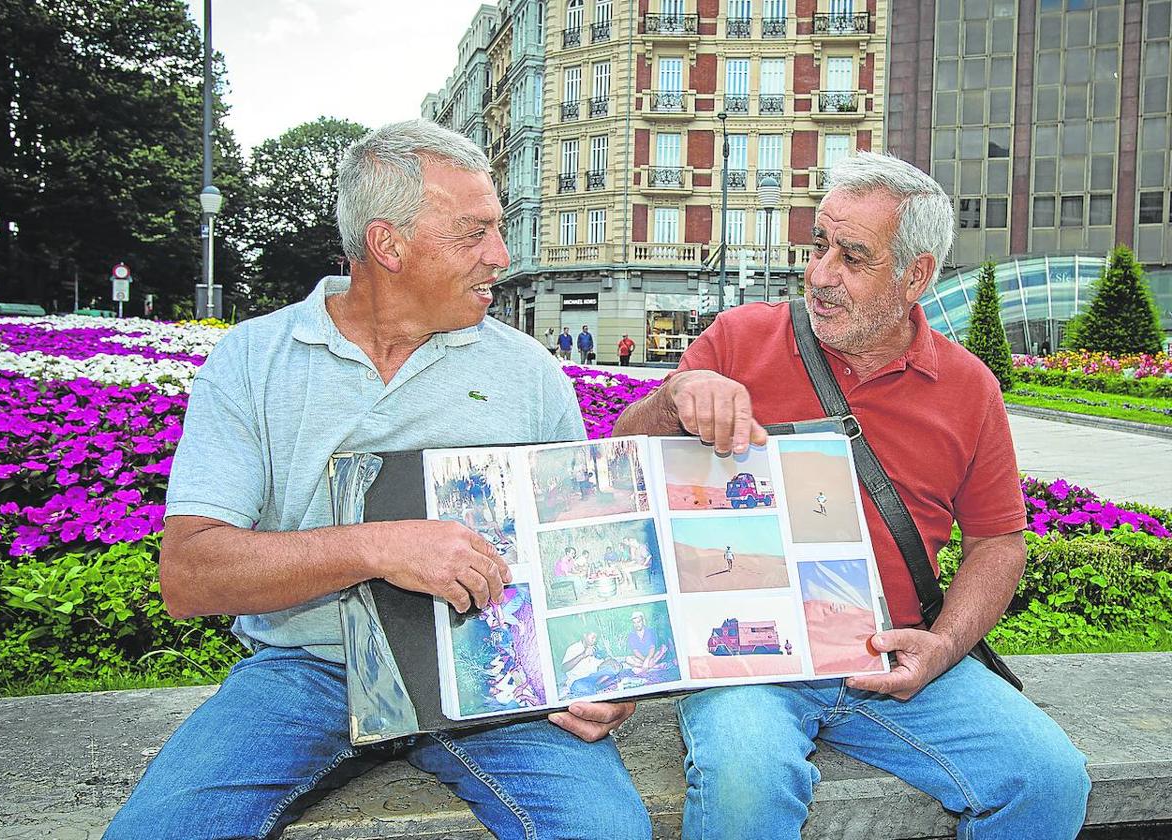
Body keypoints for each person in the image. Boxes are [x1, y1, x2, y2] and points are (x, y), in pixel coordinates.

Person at [105, 120, 648, 840]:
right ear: (386, 244)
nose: (501, 256)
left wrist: (608, 677)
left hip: (493, 672)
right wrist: (379, 547)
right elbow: (191, 573)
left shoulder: (528, 371)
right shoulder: (253, 360)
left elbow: (576, 556)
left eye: (498, 230)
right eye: (474, 234)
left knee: (605, 830)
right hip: (309, 669)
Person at [614, 151, 1089, 839]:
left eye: (853, 257)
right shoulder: (740, 338)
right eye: (818, 245)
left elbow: (998, 543)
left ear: (915, 276)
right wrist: (676, 396)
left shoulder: (968, 387)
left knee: (1048, 781)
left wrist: (945, 646)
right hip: (750, 664)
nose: (819, 274)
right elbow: (618, 460)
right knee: (747, 776)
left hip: (895, 654)